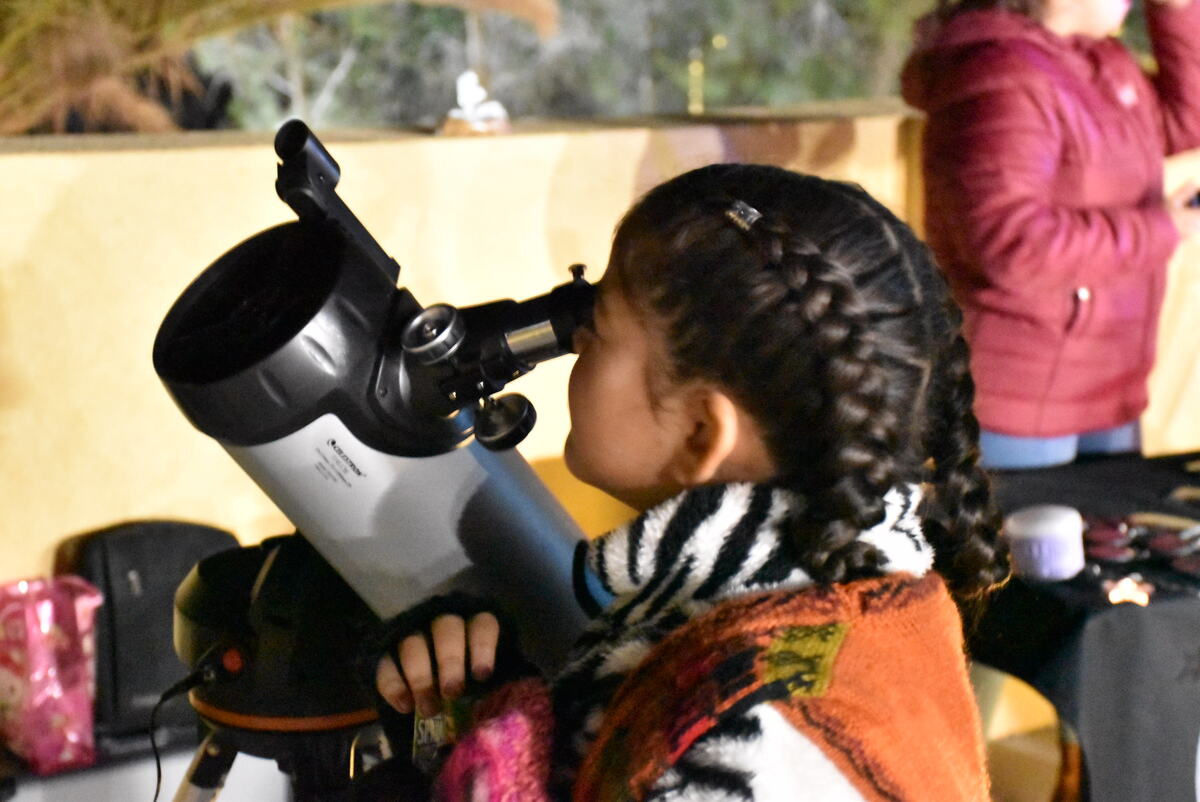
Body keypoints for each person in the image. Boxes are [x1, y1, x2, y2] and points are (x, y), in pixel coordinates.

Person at [371, 164, 1010, 801]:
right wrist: (482, 710)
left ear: (702, 433)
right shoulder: (869, 600)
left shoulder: (752, 742)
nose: (573, 343)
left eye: (596, 331)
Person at [900, 0, 1200, 470]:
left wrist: (1178, 10)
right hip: (1018, 404)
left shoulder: (1101, 62)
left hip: (1107, 388)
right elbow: (1012, 245)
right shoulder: (1001, 74)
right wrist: (1159, 228)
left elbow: (1190, 122)